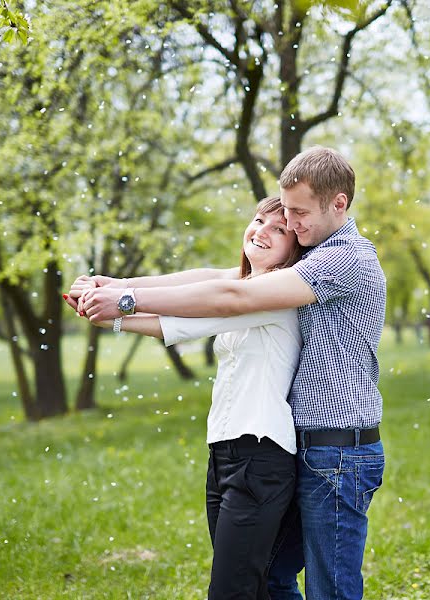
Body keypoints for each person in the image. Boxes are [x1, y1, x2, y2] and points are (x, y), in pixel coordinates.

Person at [67, 146, 387, 599]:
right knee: (269, 579)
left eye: (297, 214)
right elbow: (215, 278)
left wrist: (124, 303)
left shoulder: (344, 259)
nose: (291, 224)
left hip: (338, 454)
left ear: (338, 204)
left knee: (328, 591)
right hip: (302, 449)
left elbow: (229, 298)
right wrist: (118, 287)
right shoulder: (311, 256)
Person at [86, 196, 304, 599]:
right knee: (250, 588)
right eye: (259, 220)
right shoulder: (244, 284)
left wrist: (120, 309)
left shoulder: (276, 295)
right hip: (225, 455)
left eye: (280, 229)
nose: (262, 231)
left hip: (261, 457)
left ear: (294, 248)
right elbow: (194, 281)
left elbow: (191, 320)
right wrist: (111, 292)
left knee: (231, 591)